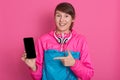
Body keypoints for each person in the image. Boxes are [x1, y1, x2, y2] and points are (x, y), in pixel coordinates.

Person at [21, 2, 94, 80]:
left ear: (73, 19)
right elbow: (38, 78)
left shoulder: (80, 41)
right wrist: (33, 67)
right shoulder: (42, 40)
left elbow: (88, 74)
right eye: (58, 15)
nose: (62, 20)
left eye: (66, 16)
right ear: (54, 17)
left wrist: (74, 63)